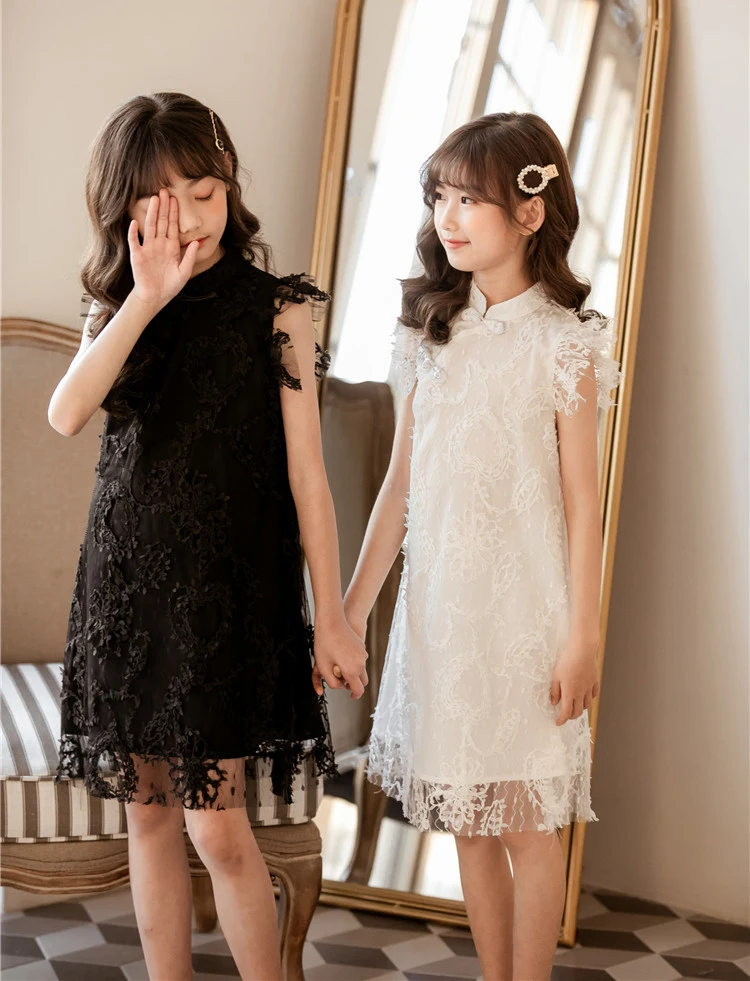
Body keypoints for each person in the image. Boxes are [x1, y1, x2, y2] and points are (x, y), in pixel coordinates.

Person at [48, 92, 368, 981]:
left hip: (224, 601)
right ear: (126, 209)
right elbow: (66, 412)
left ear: (230, 186)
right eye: (165, 201)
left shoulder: (277, 308)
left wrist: (332, 615)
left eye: (205, 192)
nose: (190, 217)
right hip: (125, 593)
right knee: (147, 815)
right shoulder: (117, 305)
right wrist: (149, 296)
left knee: (217, 826)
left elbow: (310, 479)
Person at [343, 112, 621, 981]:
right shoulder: (430, 335)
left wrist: (584, 636)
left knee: (527, 824)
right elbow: (399, 489)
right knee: (468, 819)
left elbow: (584, 504)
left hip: (529, 621)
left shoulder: (565, 344)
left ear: (530, 213)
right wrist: (348, 614)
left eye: (469, 199)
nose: (447, 216)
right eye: (440, 198)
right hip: (444, 619)